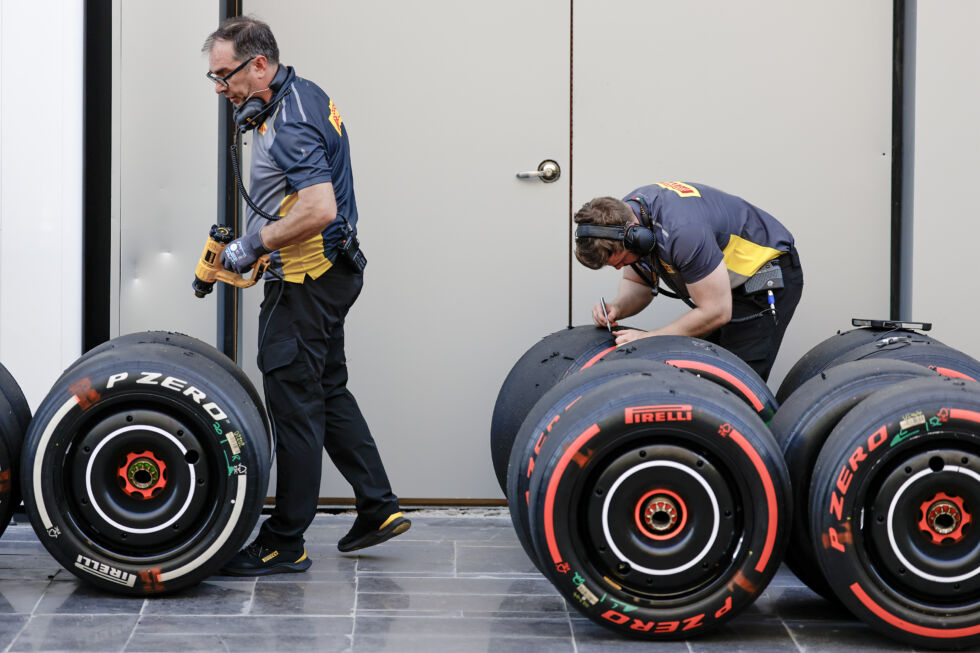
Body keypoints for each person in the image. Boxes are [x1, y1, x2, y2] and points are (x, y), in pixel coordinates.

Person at [202, 16, 410, 576]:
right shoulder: (304, 93)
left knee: (293, 406)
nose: (222, 88)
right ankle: (378, 506)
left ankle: (284, 541)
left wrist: (251, 246)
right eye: (215, 78)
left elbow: (319, 209)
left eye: (226, 75)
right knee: (327, 391)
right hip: (334, 273)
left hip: (305, 281)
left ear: (260, 64)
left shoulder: (287, 123)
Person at [574, 182, 803, 382]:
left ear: (636, 238)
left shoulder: (683, 232)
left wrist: (649, 339)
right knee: (704, 371)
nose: (618, 268)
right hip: (721, 288)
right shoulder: (630, 219)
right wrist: (618, 307)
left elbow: (716, 311)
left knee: (734, 382)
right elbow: (640, 285)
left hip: (764, 275)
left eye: (621, 261)